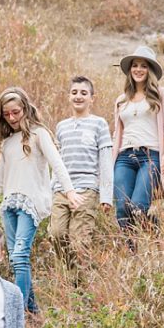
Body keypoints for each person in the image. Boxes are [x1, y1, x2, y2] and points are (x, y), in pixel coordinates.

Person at [0, 86, 83, 315]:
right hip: (9, 206)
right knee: (18, 260)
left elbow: (57, 163)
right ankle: (33, 312)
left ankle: (16, 314)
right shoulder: (7, 143)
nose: (12, 118)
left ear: (25, 109)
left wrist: (69, 191)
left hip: (31, 204)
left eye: (16, 112)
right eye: (7, 114)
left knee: (19, 256)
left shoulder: (38, 134)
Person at [48, 76, 113, 273]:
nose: (78, 96)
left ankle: (80, 287)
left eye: (84, 93)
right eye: (75, 92)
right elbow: (57, 161)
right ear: (69, 96)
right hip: (62, 190)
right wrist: (51, 189)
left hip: (87, 189)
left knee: (79, 242)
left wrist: (106, 195)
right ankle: (73, 274)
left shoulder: (99, 124)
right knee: (57, 234)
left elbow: (105, 160)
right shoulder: (62, 126)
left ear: (92, 98)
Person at [111, 45, 164, 233]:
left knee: (138, 206)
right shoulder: (121, 100)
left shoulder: (161, 94)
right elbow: (117, 133)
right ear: (130, 69)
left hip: (150, 156)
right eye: (135, 65)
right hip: (124, 158)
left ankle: (155, 230)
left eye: (143, 66)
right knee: (122, 208)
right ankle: (132, 252)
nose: (138, 69)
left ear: (150, 70)